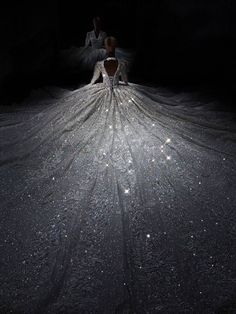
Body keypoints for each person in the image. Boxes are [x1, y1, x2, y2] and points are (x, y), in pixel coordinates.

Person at [0, 36, 236, 313]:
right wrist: (118, 86)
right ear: (115, 49)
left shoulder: (101, 63)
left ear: (105, 49)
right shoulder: (120, 63)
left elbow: (93, 83)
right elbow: (122, 84)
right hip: (121, 96)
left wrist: (84, 92)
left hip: (102, 96)